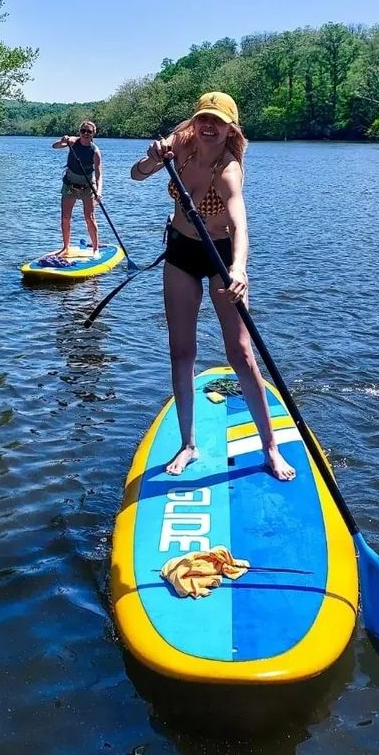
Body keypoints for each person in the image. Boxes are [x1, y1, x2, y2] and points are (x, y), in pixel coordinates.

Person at [130, 92, 296, 482]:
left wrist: (239, 269)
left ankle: (270, 448)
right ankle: (188, 444)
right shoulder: (181, 143)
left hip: (222, 256)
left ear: (230, 129)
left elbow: (239, 224)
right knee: (181, 351)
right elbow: (136, 175)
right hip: (181, 253)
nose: (209, 126)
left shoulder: (229, 170)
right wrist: (153, 159)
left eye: (217, 122)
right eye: (204, 118)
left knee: (240, 353)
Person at [51, 120, 103, 255]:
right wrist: (63, 140)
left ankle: (95, 249)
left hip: (87, 187)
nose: (85, 134)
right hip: (70, 185)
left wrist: (98, 191)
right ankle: (65, 247)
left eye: (89, 132)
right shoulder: (73, 142)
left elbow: (98, 174)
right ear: (80, 132)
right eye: (83, 131)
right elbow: (55, 146)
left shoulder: (95, 151)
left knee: (89, 217)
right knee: (65, 217)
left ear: (93, 134)